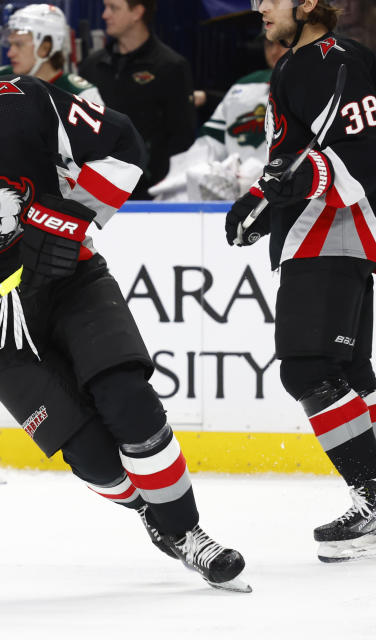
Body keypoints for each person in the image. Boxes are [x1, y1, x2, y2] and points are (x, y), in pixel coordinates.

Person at [0, 25, 251, 591]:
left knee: (127, 397)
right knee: (92, 454)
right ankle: (151, 514)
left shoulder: (24, 103)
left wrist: (74, 220)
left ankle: (189, 533)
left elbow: (124, 145)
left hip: (71, 281)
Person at [226, 0, 376, 563]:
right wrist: (262, 204)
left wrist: (286, 187)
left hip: (334, 228)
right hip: (318, 230)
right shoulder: (299, 63)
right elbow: (295, 161)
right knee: (347, 371)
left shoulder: (338, 61)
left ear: (308, 2)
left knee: (310, 367)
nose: (258, 6)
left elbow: (360, 155)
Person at [77, 0, 195, 199]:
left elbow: (182, 140)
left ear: (137, 12)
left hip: (151, 198)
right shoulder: (91, 67)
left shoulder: (171, 67)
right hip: (96, 193)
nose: (105, 15)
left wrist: (164, 191)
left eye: (113, 8)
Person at [150, 36, 288, 202]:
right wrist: (188, 179)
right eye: (269, 43)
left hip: (290, 201)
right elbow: (207, 146)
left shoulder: (321, 87)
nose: (274, 51)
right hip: (235, 202)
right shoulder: (242, 88)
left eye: (283, 42)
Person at [0, 4, 103, 105]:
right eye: (10, 45)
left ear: (45, 48)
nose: (10, 53)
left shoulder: (82, 95)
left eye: (19, 45)